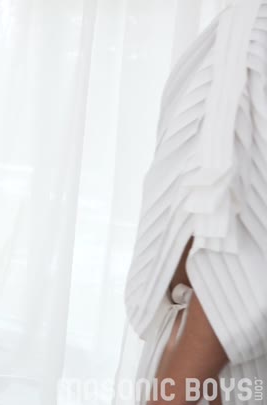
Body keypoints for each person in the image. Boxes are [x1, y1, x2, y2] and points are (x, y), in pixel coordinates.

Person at [123, 1, 267, 404]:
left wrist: (169, 397)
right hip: (192, 359)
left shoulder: (257, 30)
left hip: (217, 372)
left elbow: (242, 259)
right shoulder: (241, 23)